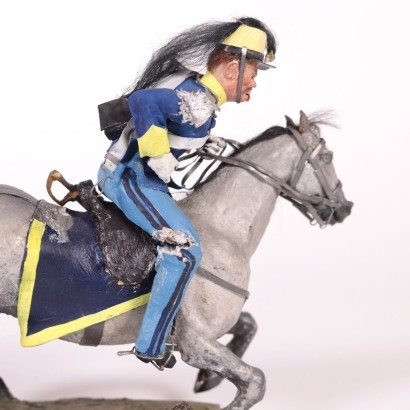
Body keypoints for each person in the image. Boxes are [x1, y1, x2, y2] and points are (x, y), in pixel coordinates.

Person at [97, 16, 276, 368]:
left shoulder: (201, 98)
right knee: (184, 250)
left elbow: (175, 120)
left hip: (147, 181)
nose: (254, 83)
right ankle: (150, 346)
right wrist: (157, 153)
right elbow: (146, 103)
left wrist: (202, 140)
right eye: (253, 72)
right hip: (129, 179)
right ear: (231, 67)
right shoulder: (196, 100)